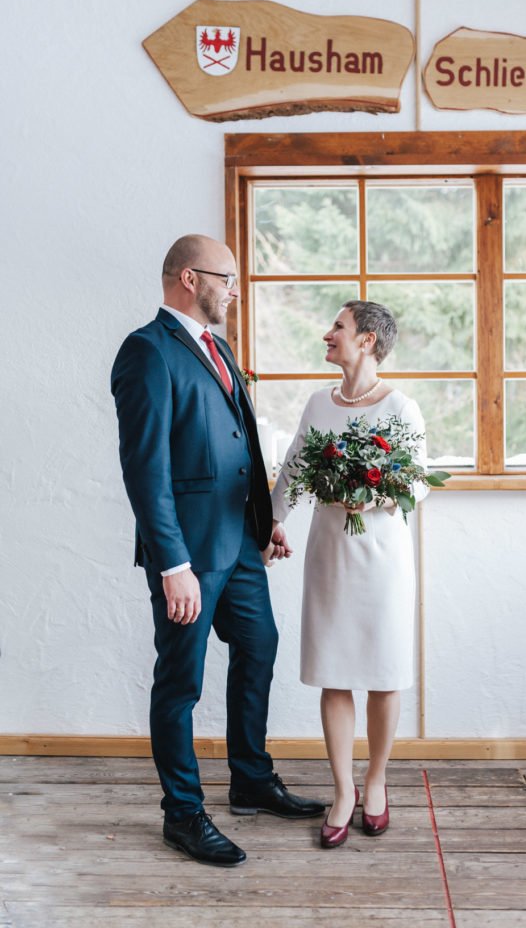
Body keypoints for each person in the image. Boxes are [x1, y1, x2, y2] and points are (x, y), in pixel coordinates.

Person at [111, 234, 325, 868]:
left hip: (240, 546)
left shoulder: (219, 347)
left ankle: (251, 779)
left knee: (260, 646)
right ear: (187, 278)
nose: (235, 289)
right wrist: (172, 563)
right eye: (226, 278)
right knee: (180, 683)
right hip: (189, 557)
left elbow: (239, 446)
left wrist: (263, 523)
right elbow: (145, 471)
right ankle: (183, 815)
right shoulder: (146, 352)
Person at [270, 301, 429, 848]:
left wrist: (376, 495)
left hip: (383, 556)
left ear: (367, 340)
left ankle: (377, 780)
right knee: (334, 671)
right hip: (329, 552)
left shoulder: (402, 408)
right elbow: (293, 467)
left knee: (384, 673)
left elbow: (421, 482)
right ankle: (342, 790)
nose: (327, 334)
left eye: (337, 327)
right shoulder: (319, 403)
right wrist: (270, 522)